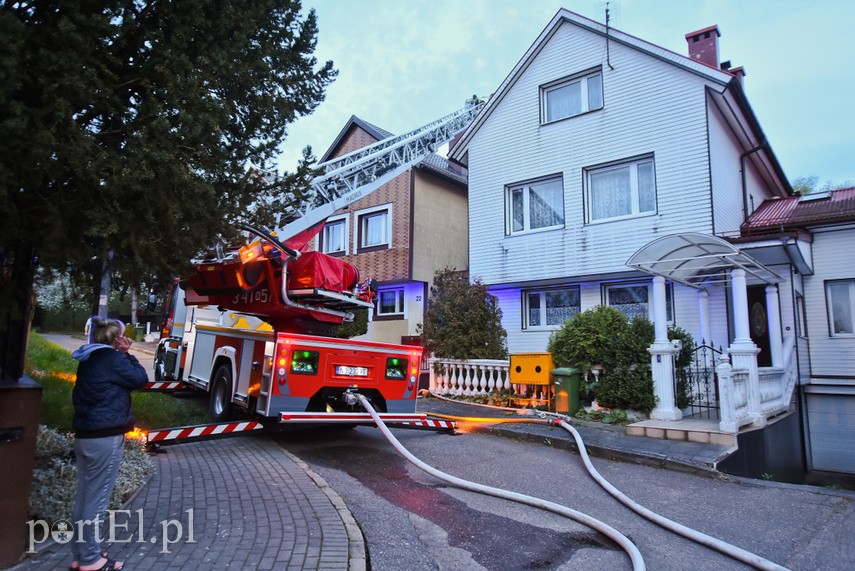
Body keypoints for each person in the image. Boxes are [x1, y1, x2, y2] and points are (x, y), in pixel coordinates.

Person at [70, 318, 148, 571]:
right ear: (117, 340)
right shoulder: (112, 359)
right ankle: (92, 561)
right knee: (97, 500)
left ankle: (81, 554)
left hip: (85, 435)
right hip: (105, 437)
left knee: (85, 497)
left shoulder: (89, 359)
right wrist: (128, 355)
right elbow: (140, 379)